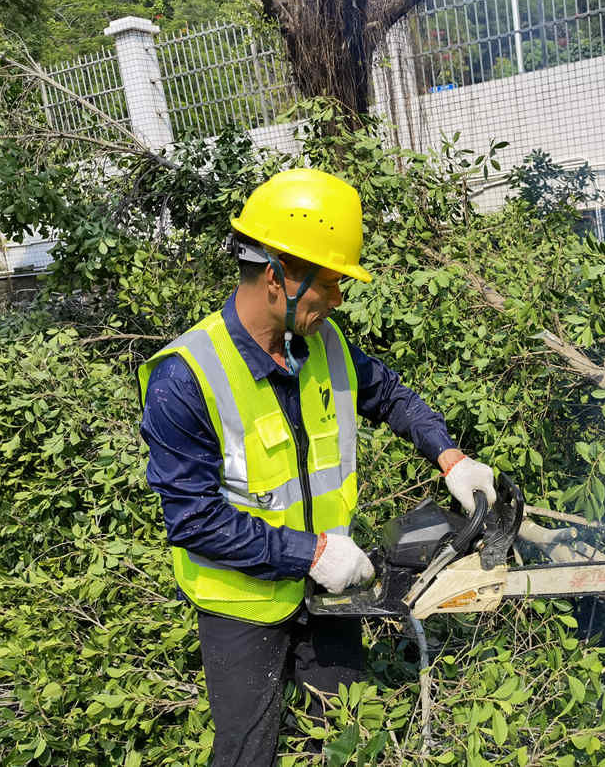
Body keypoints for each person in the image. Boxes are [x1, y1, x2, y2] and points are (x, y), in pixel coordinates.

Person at [137, 168, 496, 766]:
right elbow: (193, 520)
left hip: (334, 595)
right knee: (248, 754)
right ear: (278, 276)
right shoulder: (186, 377)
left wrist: (450, 456)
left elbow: (391, 395)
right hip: (243, 605)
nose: (337, 300)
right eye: (329, 284)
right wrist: (310, 553)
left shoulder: (324, 344)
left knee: (340, 738)